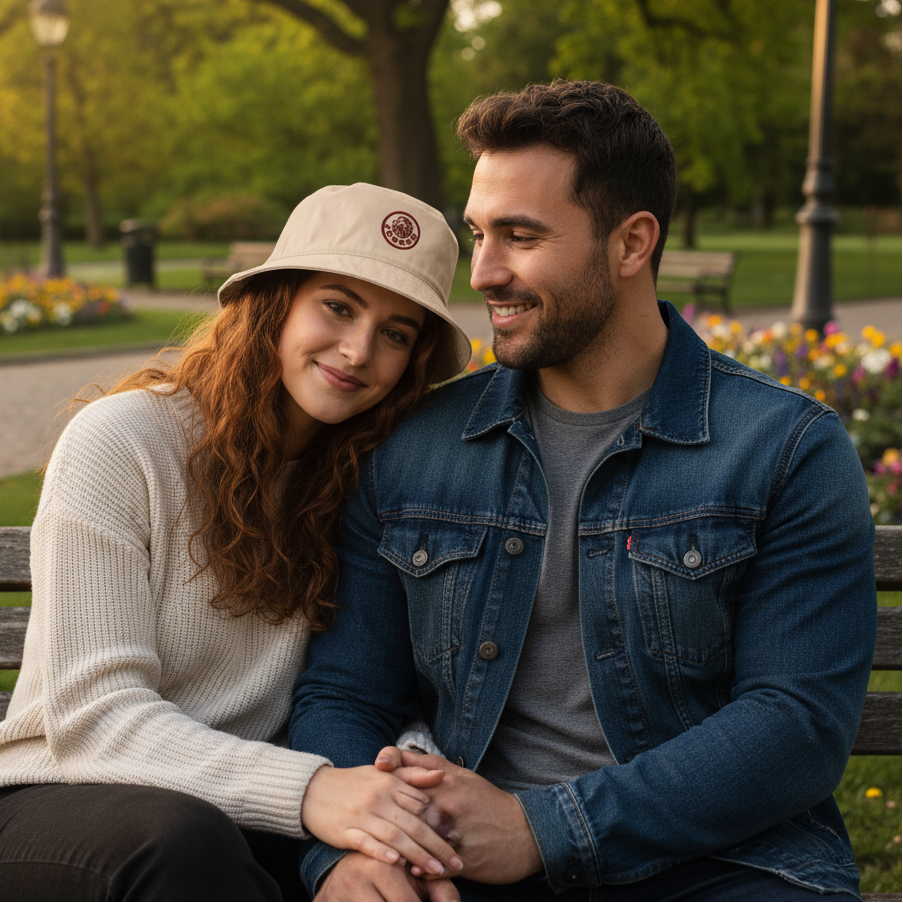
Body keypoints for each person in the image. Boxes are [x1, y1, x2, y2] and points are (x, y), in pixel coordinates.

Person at [290, 83, 877, 902]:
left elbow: (795, 724)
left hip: (717, 867)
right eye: (479, 234)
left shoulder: (782, 448)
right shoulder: (412, 446)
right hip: (460, 862)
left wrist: (544, 828)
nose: (485, 272)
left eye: (521, 237)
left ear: (631, 242)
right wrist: (354, 850)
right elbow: (345, 691)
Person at [0, 183, 474, 902]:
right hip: (65, 794)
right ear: (276, 302)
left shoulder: (364, 481)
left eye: (397, 332)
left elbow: (367, 685)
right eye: (338, 306)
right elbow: (93, 718)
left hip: (246, 811)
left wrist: (394, 802)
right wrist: (314, 789)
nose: (358, 349)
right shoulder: (123, 442)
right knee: (184, 843)